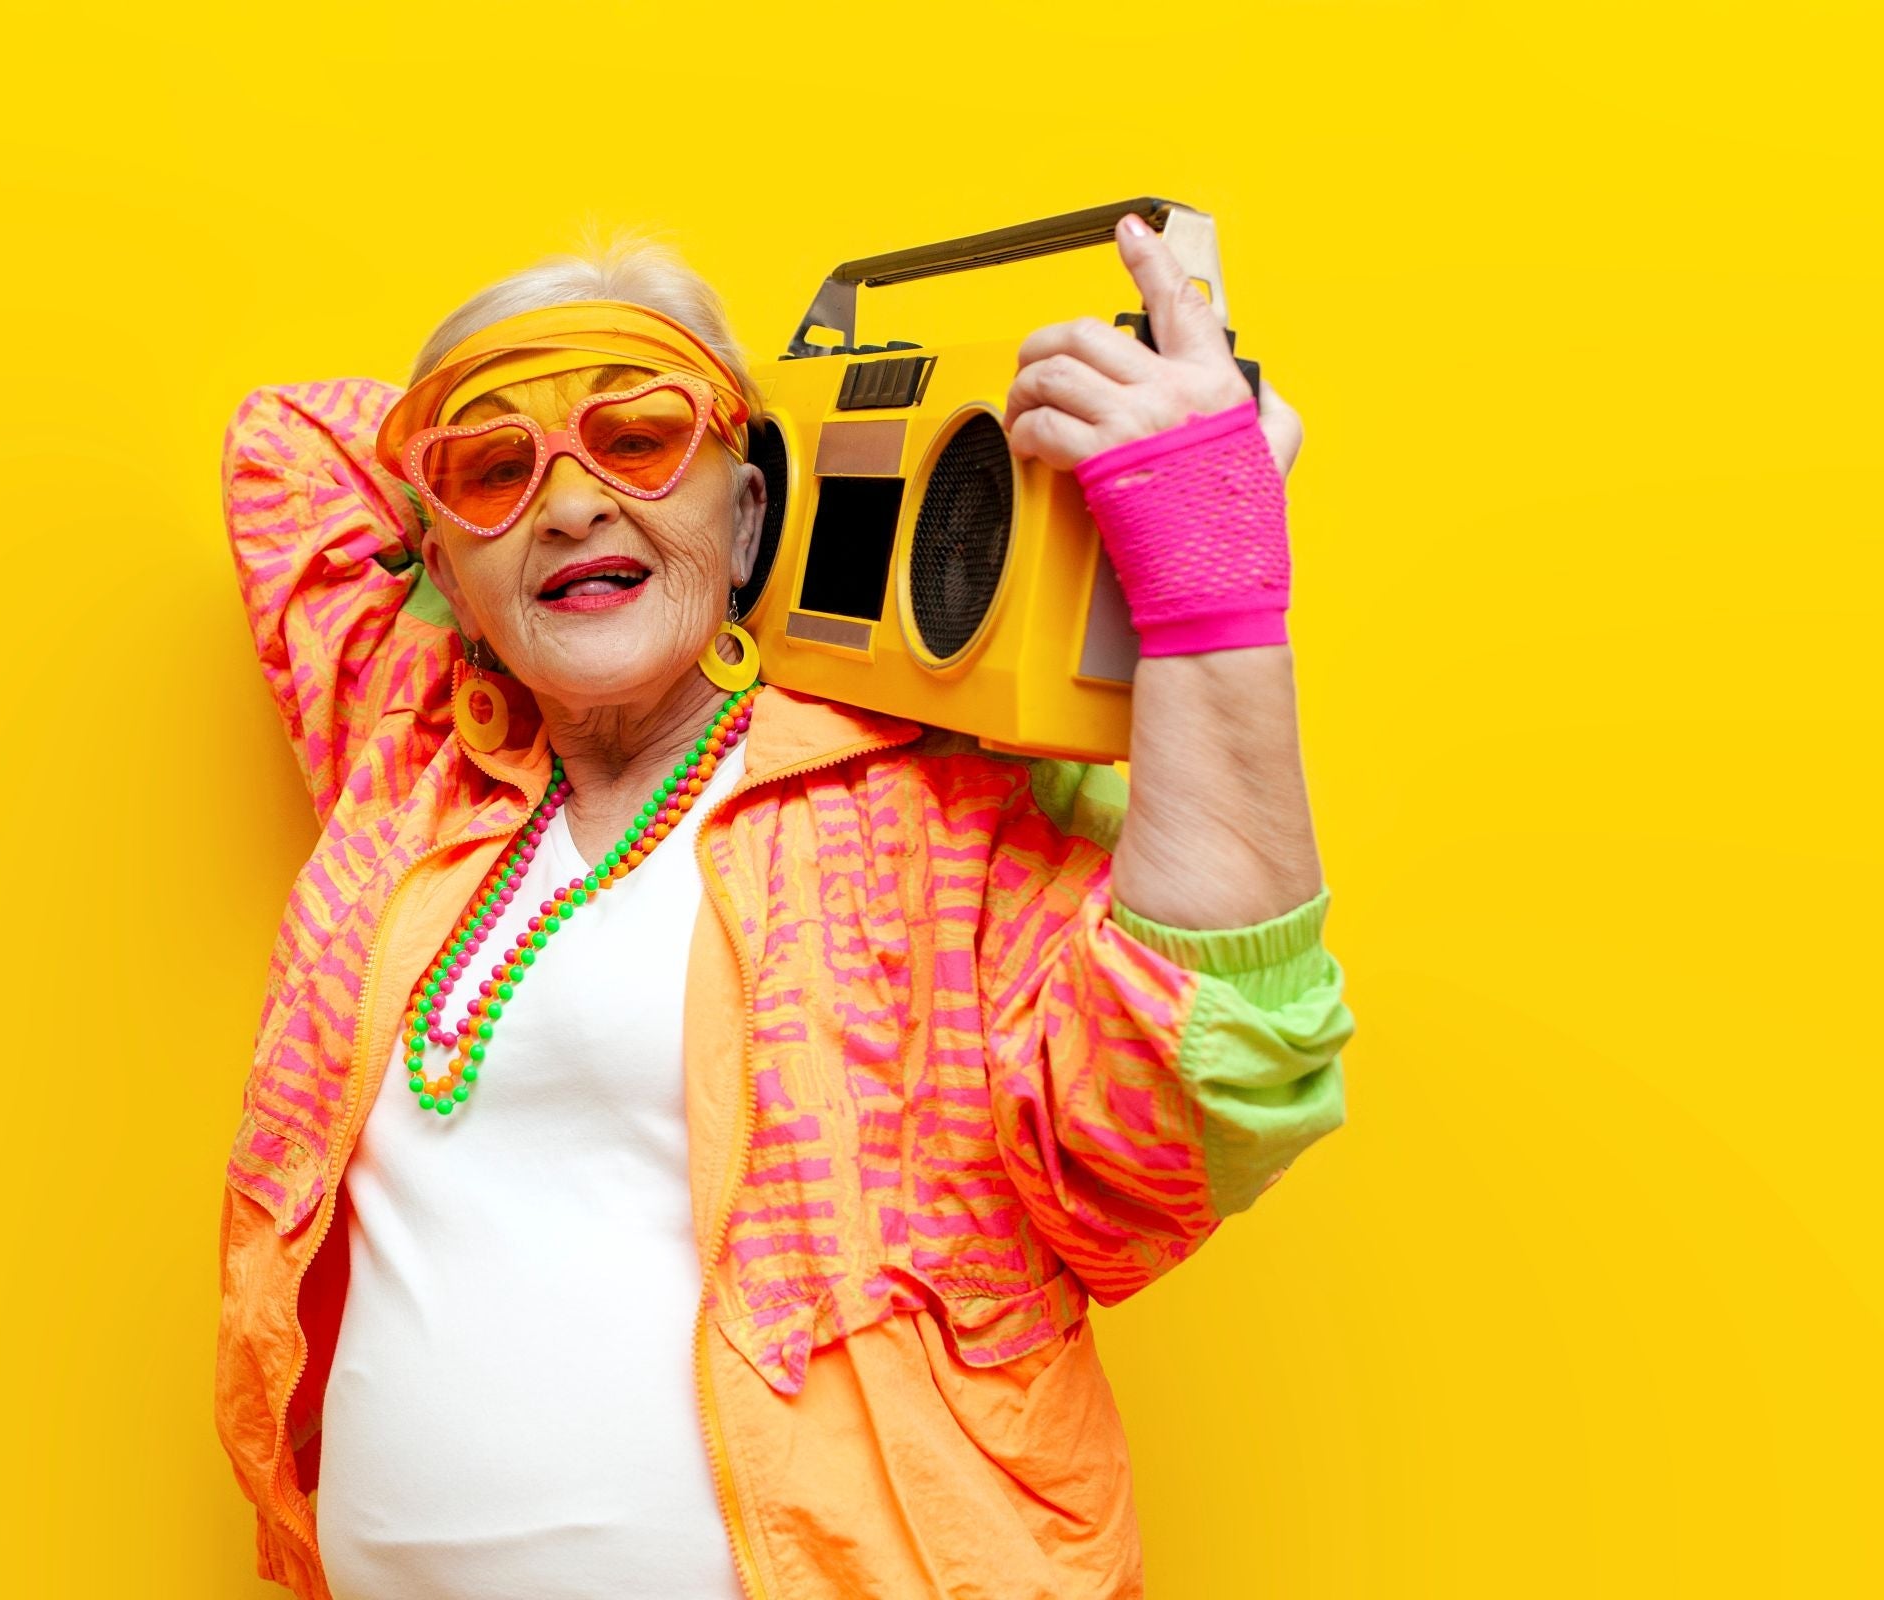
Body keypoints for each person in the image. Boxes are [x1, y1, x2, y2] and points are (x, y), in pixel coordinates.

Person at [212, 216, 1353, 1600]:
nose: (568, 506)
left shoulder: (928, 807)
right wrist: (636, 445)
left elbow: (1181, 1105)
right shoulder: (409, 758)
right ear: (443, 574)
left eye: (639, 441)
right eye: (496, 470)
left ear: (750, 509)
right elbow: (282, 445)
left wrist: (1207, 567)